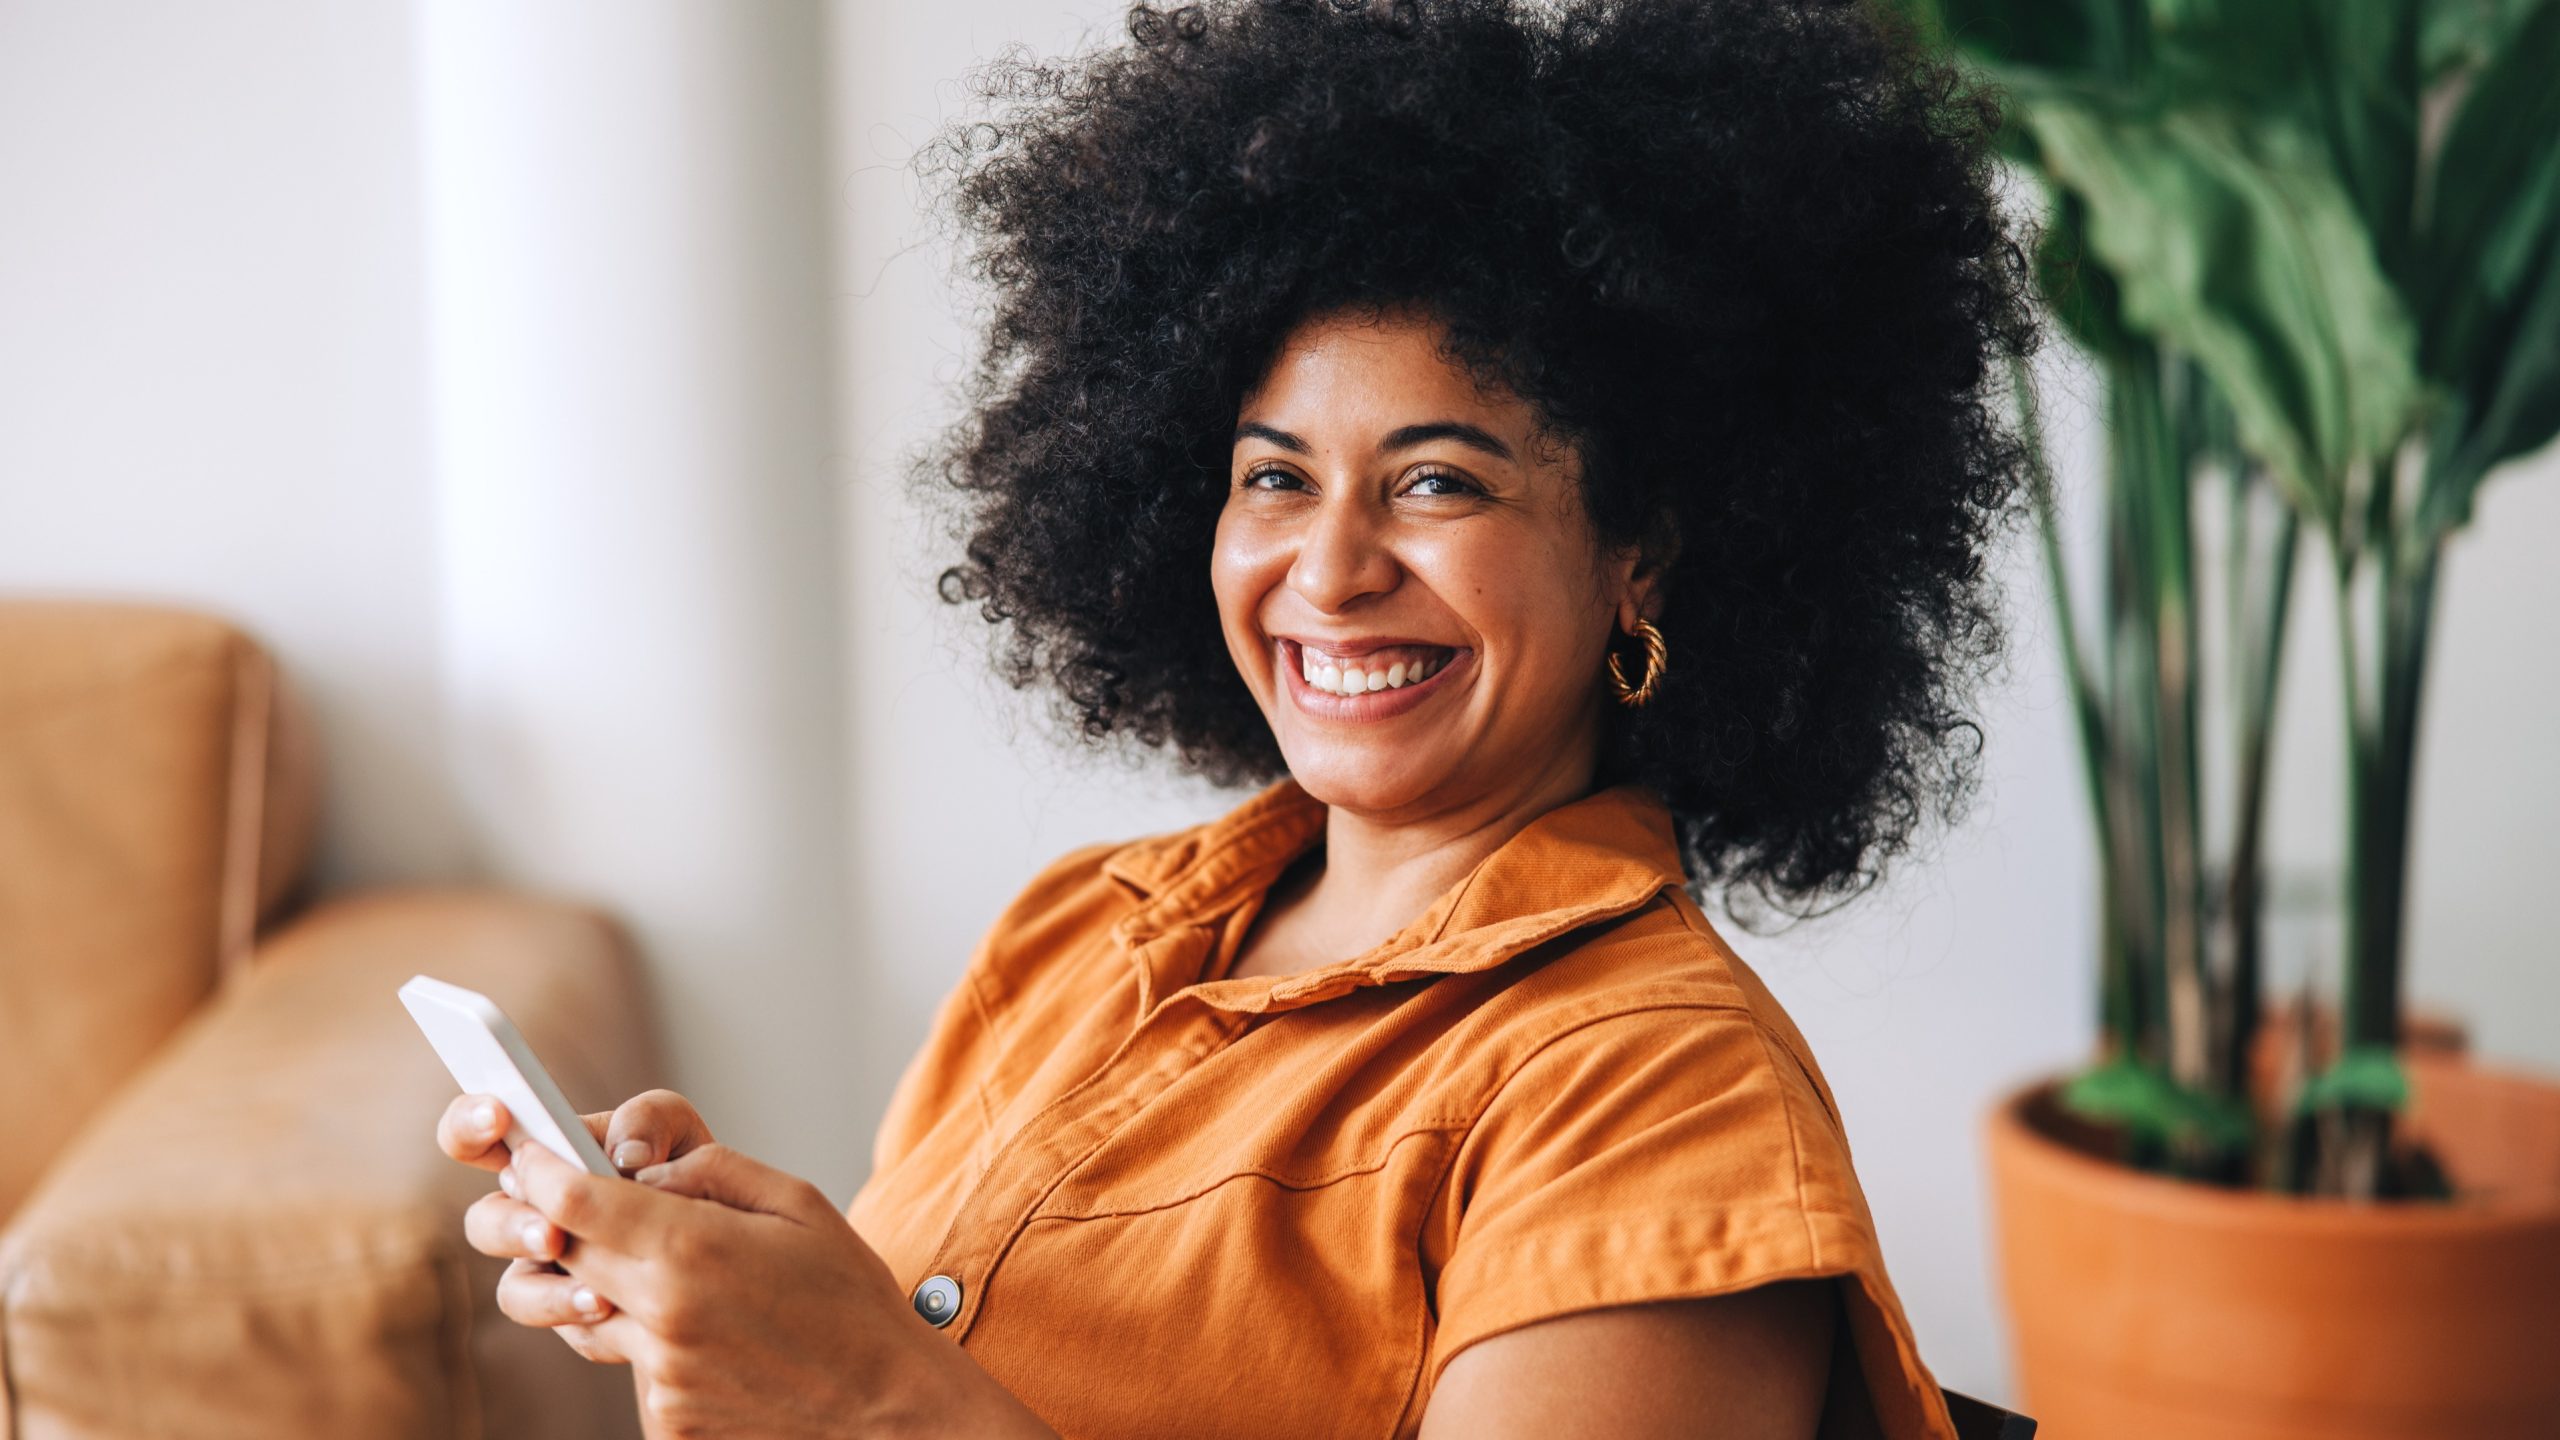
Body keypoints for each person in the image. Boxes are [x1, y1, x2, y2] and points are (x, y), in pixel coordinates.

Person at [434, 0, 2036, 1435]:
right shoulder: (1082, 933)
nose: (1328, 570)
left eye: (1436, 482)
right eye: (1275, 475)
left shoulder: (1650, 1087)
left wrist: (864, 1393)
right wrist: (736, 1308)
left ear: (1641, 558)